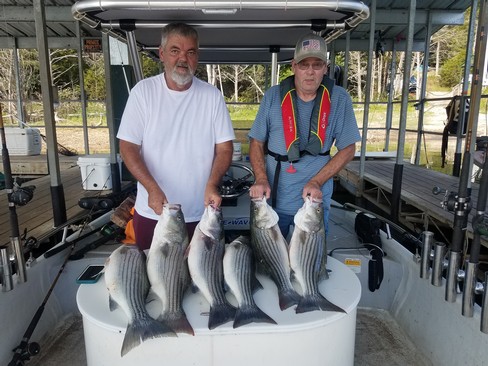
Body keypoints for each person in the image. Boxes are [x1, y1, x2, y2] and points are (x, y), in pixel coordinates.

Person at [117, 23, 235, 250]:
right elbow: (128, 147)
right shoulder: (143, 92)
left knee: (199, 280)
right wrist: (152, 188)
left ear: (197, 57)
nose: (183, 58)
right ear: (161, 54)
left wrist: (212, 184)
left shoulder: (212, 96)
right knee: (154, 281)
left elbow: (224, 149)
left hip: (200, 215)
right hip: (154, 212)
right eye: (175, 50)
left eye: (190, 52)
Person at [248, 33, 360, 238]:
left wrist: (317, 181)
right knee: (270, 264)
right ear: (293, 66)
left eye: (317, 65)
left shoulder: (339, 98)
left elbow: (348, 148)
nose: (310, 72)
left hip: (314, 203)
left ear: (325, 67)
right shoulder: (273, 96)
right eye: (304, 64)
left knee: (310, 265)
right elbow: (256, 142)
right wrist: (261, 178)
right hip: (274, 200)